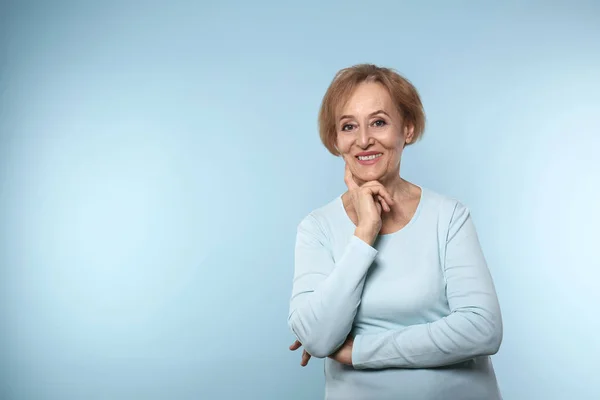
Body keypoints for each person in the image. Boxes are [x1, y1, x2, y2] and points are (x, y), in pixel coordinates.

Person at [287, 64, 503, 400]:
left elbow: (482, 330)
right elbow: (318, 339)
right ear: (335, 140)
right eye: (348, 126)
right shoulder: (317, 228)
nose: (363, 140)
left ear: (408, 129)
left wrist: (357, 351)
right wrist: (365, 232)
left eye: (379, 122)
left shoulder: (448, 217)